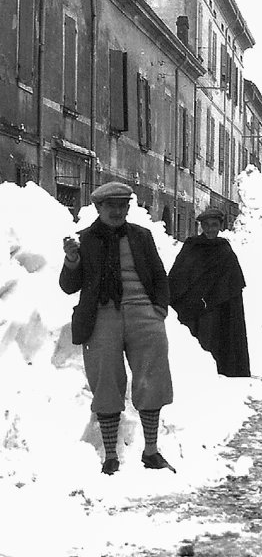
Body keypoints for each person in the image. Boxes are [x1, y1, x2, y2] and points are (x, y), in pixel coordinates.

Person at [60, 181, 175, 476]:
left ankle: (151, 452)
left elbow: (160, 277)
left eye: (122, 206)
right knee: (107, 381)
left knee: (153, 378)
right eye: (110, 206)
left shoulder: (142, 236)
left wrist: (158, 310)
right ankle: (111, 456)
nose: (117, 211)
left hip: (143, 315)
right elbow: (68, 287)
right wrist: (72, 260)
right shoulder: (83, 240)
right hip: (101, 316)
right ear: (98, 208)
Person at [168, 207, 250, 377]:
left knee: (215, 340)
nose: (210, 229)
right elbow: (178, 275)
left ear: (220, 226)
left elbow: (233, 282)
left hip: (217, 308)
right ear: (201, 226)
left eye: (214, 225)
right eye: (206, 225)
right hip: (192, 307)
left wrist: (215, 297)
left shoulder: (224, 250)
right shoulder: (191, 246)